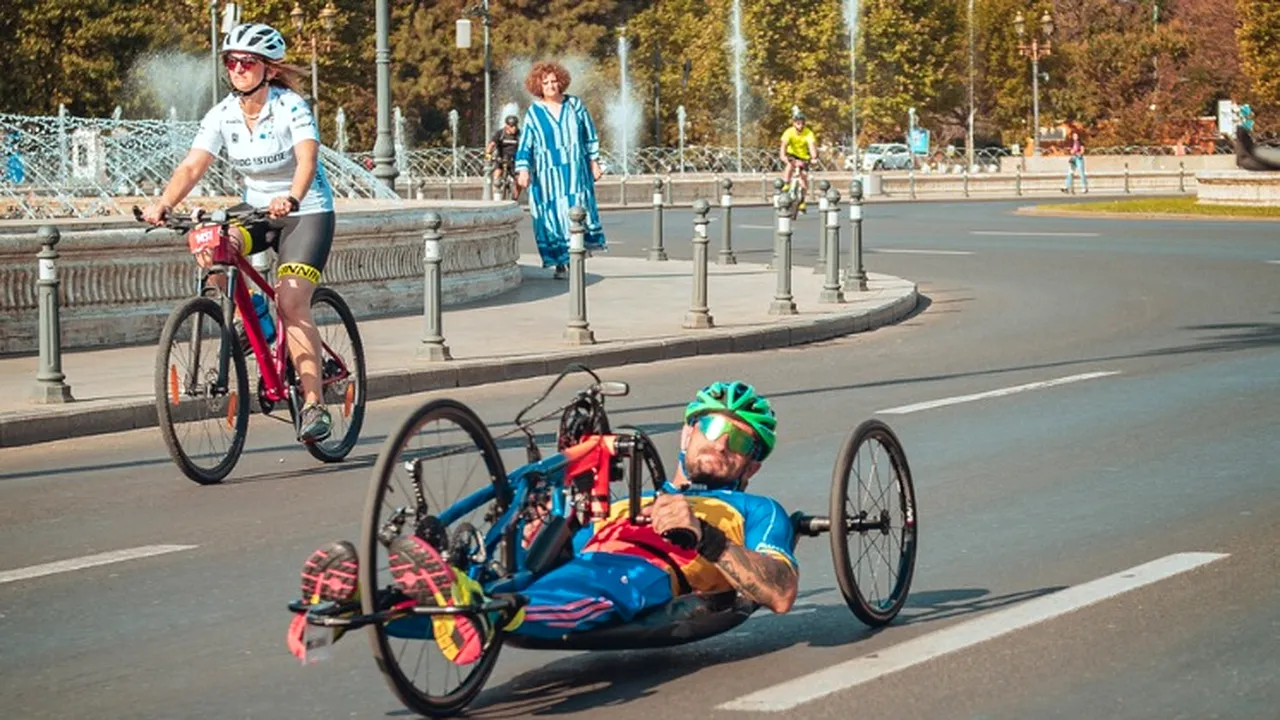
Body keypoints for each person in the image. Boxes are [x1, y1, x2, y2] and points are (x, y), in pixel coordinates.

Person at [287, 381, 799, 665]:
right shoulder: (630, 499)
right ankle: (345, 609)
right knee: (501, 582)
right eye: (710, 427)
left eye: (740, 442)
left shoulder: (757, 511)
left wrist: (705, 536)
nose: (719, 444)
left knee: (586, 586)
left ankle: (474, 604)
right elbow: (571, 541)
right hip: (579, 561)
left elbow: (779, 593)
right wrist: (541, 528)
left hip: (644, 576)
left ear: (752, 465)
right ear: (686, 435)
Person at [141, 22, 336, 443]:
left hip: (306, 212)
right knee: (209, 245)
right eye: (231, 62)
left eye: (247, 62)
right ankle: (261, 331)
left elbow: (306, 160)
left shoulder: (291, 107)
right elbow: (193, 165)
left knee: (291, 300)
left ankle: (315, 404)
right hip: (258, 210)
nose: (238, 69)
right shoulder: (224, 113)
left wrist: (293, 197)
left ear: (268, 68)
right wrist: (164, 203)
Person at [514, 61, 607, 280]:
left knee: (576, 211)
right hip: (548, 176)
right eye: (545, 82)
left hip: (576, 172)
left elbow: (589, 134)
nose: (551, 85)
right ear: (538, 86)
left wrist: (594, 162)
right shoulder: (534, 114)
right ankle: (559, 263)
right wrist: (523, 170)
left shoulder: (575, 105)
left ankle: (576, 254)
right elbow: (526, 144)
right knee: (552, 216)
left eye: (554, 81)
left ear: (561, 82)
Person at [779, 112, 817, 212]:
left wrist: (813, 157)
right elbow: (783, 145)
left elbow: (812, 146)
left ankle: (802, 200)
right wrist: (783, 156)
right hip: (792, 155)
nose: (800, 126)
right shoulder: (789, 132)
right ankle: (786, 183)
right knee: (790, 165)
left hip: (804, 156)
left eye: (802, 123)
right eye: (798, 123)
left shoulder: (808, 133)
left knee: (803, 176)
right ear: (794, 123)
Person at [485, 115, 522, 201]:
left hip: (514, 160)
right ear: (507, 126)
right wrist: (488, 154)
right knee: (497, 173)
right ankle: (496, 197)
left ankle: (515, 198)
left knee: (519, 181)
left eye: (516, 125)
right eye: (512, 126)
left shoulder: (519, 134)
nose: (514, 128)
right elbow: (492, 144)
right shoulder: (500, 133)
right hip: (501, 158)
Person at [1061, 129, 1089, 194]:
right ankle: (1066, 187)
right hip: (1073, 158)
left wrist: (1078, 153)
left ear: (1078, 136)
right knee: (1070, 173)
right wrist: (1072, 151)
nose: (1075, 137)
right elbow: (1071, 151)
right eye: (1074, 136)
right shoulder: (1072, 143)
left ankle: (1084, 187)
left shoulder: (1080, 143)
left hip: (1079, 158)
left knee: (1081, 173)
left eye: (1076, 136)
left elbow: (1082, 151)